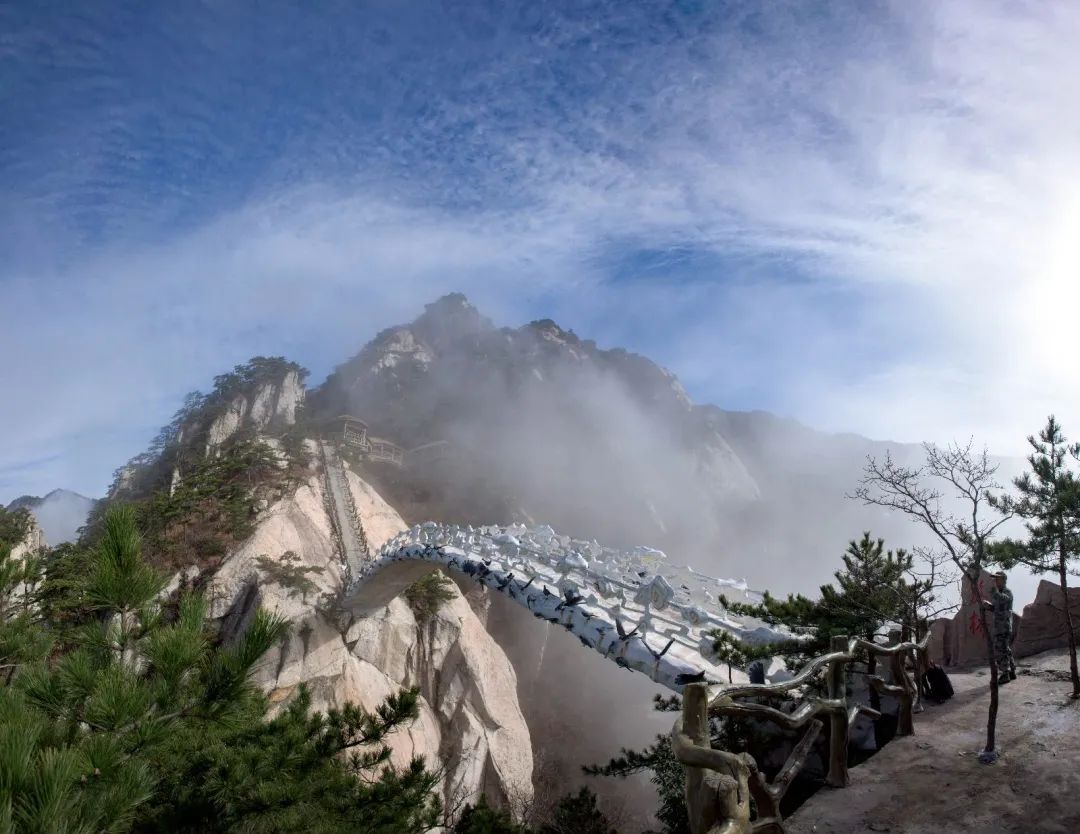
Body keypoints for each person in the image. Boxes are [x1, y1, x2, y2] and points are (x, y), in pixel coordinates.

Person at [982, 571, 1017, 684]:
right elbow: (999, 608)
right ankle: (1011, 671)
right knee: (1005, 648)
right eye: (994, 579)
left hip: (1004, 626)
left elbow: (1004, 599)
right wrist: (989, 607)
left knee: (1000, 650)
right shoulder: (999, 592)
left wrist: (993, 591)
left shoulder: (1007, 592)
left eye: (997, 579)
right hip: (1000, 626)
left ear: (1003, 580)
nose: (995, 581)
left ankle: (1005, 673)